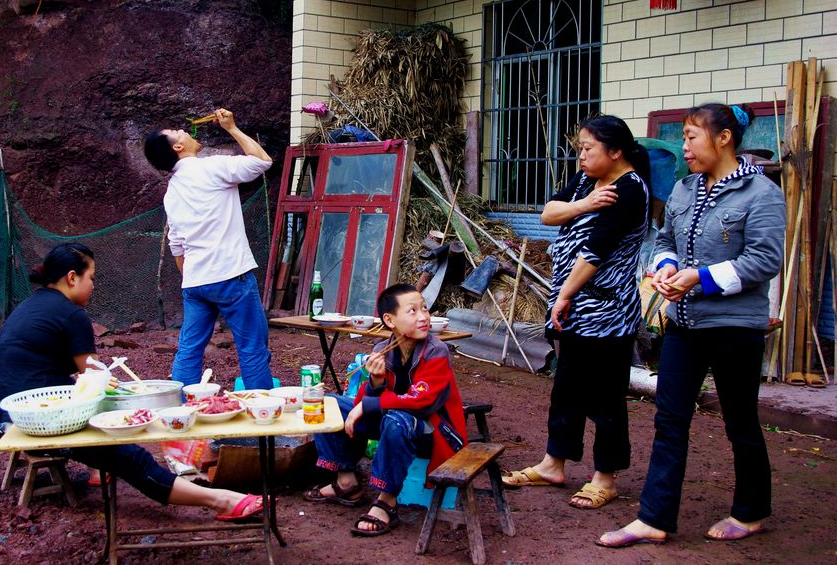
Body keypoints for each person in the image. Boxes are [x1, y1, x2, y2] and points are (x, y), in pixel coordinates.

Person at [598, 103, 785, 548]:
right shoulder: (684, 190)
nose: (684, 147)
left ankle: (751, 510)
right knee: (669, 419)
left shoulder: (761, 194)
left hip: (735, 326)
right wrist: (665, 268)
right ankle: (654, 518)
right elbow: (664, 240)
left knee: (740, 420)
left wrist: (698, 278)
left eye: (691, 137)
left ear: (723, 139)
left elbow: (765, 260)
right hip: (684, 322)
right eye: (683, 138)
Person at [0, 243, 262, 521]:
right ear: (72, 278)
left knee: (98, 417)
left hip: (5, 418)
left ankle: (98, 469)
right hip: (33, 425)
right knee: (130, 456)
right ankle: (221, 500)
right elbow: (95, 380)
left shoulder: (34, 305)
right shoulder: (71, 314)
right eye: (91, 278)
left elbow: (82, 378)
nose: (94, 286)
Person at [502, 114, 650, 511]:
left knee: (605, 395)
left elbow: (597, 251)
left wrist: (565, 294)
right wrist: (583, 203)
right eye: (580, 148)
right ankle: (554, 463)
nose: (581, 156)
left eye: (588, 148)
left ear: (616, 151)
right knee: (566, 388)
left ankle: (605, 477)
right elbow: (548, 214)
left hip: (605, 311)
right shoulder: (588, 181)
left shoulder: (630, 190)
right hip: (573, 308)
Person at [303, 283, 467, 537]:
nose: (424, 316)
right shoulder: (382, 351)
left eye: (424, 308)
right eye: (412, 311)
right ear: (390, 320)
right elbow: (362, 401)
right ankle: (346, 481)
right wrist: (375, 384)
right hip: (393, 423)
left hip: (433, 431)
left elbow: (420, 402)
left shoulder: (437, 351)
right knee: (328, 405)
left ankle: (387, 500)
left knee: (397, 419)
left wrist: (369, 404)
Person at [143, 108, 274, 390]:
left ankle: (180, 414)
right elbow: (262, 161)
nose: (185, 131)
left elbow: (177, 246)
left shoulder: (171, 193)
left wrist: (192, 279)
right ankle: (263, 419)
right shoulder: (211, 167)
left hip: (195, 282)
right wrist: (232, 128)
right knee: (252, 349)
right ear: (178, 147)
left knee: (189, 351)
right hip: (231, 275)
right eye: (178, 132)